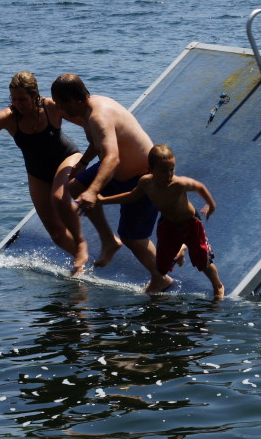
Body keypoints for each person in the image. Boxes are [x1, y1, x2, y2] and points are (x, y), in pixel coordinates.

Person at [50, 73, 172, 293]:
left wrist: (94, 190)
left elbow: (112, 157)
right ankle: (108, 240)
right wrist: (84, 162)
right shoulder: (87, 109)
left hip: (142, 176)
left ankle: (160, 278)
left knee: (133, 237)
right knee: (76, 186)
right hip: (119, 171)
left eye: (60, 104)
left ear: (73, 100)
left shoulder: (99, 116)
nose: (60, 110)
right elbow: (100, 144)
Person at [0, 71, 86, 272]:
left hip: (68, 158)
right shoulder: (9, 117)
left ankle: (82, 246)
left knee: (59, 196)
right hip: (37, 173)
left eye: (22, 99)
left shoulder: (51, 107)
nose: (18, 103)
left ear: (35, 95)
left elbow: (85, 120)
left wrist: (99, 141)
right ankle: (81, 262)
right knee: (55, 231)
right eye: (14, 99)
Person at [99, 144, 224, 299]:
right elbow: (130, 197)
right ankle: (181, 249)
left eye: (172, 169)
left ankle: (217, 286)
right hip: (168, 225)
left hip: (190, 223)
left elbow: (200, 187)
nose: (169, 174)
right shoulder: (145, 183)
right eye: (164, 171)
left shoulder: (179, 183)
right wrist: (103, 200)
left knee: (202, 260)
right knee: (162, 267)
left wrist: (211, 205)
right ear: (151, 169)